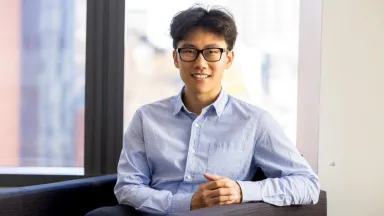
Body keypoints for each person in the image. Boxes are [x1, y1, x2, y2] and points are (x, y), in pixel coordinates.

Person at [86, 4, 320, 216]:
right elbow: (128, 188)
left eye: (211, 52)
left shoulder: (254, 121)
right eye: (189, 51)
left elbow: (307, 185)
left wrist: (241, 191)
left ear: (228, 59)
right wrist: (186, 204)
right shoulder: (146, 118)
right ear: (176, 58)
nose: (200, 63)